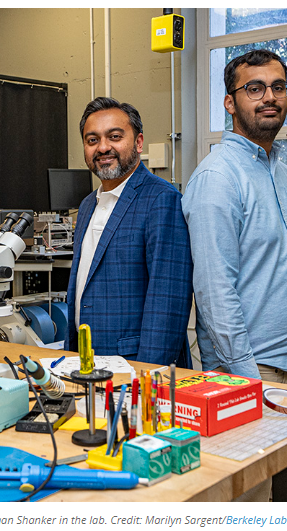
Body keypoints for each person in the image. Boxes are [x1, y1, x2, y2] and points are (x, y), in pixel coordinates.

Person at [182, 50, 287, 500]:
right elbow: (214, 292)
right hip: (249, 370)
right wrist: (248, 381)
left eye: (279, 87)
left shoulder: (281, 174)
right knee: (245, 501)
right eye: (254, 88)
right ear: (230, 103)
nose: (269, 98)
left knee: (281, 494)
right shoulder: (218, 177)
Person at [64, 97, 193, 367]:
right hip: (87, 360)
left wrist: (149, 376)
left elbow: (168, 303)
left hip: (135, 366)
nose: (103, 147)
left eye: (114, 136)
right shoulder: (88, 205)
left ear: (138, 142)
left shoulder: (162, 199)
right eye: (92, 140)